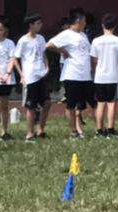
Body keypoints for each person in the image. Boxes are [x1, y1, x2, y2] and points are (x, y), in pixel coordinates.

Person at [48, 10, 92, 138]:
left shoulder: (83, 35)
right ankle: (73, 131)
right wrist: (62, 51)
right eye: (84, 21)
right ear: (78, 21)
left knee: (82, 104)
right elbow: (49, 45)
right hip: (72, 74)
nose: (85, 23)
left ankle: (80, 128)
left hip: (85, 75)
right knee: (71, 104)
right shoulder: (66, 34)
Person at [14, 14, 50, 140]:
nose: (40, 25)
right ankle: (30, 133)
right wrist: (21, 75)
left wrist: (47, 66)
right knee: (31, 106)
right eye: (38, 23)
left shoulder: (41, 38)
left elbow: (43, 54)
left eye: (41, 23)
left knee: (47, 103)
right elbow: (15, 58)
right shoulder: (23, 40)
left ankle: (41, 129)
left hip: (41, 75)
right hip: (30, 77)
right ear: (31, 25)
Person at [89, 14, 118, 136]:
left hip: (99, 77)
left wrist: (95, 71)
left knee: (100, 103)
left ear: (102, 25)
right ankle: (111, 129)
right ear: (114, 26)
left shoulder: (96, 41)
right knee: (111, 103)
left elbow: (93, 60)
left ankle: (99, 130)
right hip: (113, 76)